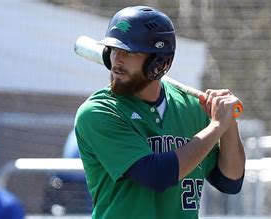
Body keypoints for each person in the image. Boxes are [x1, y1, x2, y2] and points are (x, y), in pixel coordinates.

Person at [74, 5, 246, 219]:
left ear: (159, 61)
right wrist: (216, 126)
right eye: (114, 50)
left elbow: (230, 181)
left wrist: (229, 124)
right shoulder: (99, 112)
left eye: (130, 52)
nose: (117, 61)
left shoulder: (191, 107)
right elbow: (156, 175)